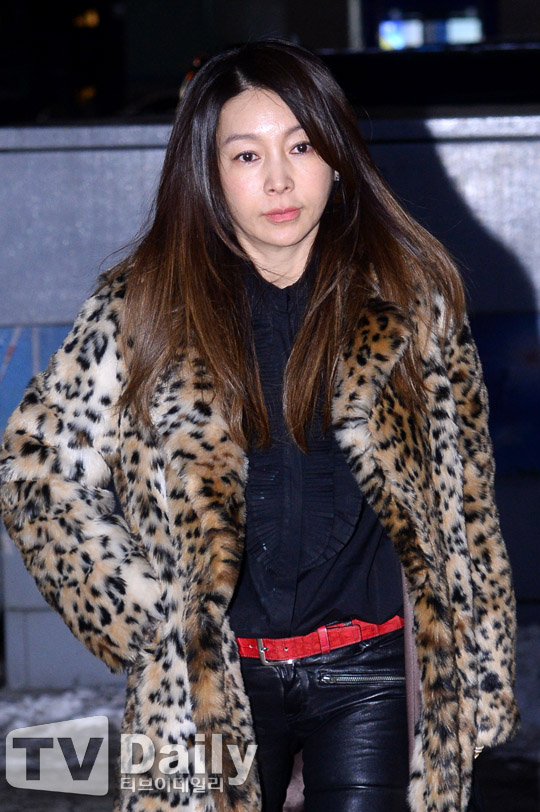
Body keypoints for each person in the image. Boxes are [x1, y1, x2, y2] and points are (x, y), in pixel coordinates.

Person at [0, 38, 519, 812]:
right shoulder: (144, 305)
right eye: (246, 155)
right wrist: (144, 618)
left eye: (301, 146)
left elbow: (464, 498)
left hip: (370, 671)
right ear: (208, 173)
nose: (279, 179)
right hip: (208, 683)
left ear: (336, 155)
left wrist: (480, 669)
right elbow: (34, 468)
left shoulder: (410, 299)